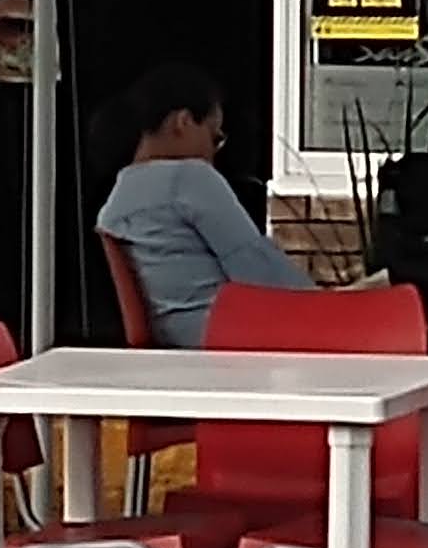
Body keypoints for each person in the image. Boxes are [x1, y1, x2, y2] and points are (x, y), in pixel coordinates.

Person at [92, 62, 313, 345]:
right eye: (215, 136)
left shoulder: (118, 199)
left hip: (180, 340)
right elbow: (258, 269)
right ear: (183, 122)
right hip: (234, 335)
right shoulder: (189, 177)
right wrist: (328, 302)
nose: (213, 152)